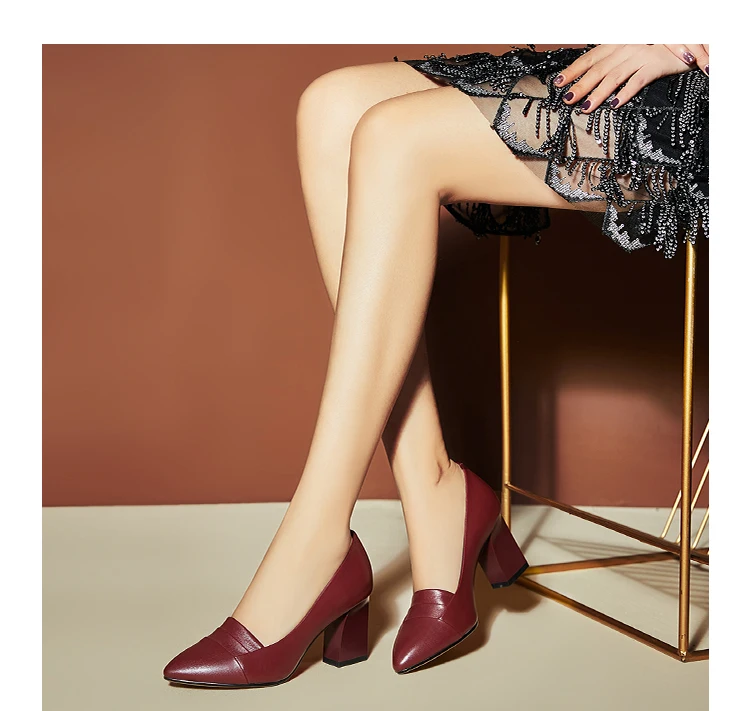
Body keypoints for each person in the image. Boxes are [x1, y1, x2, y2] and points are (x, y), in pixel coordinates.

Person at [162, 43, 709, 687]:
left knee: (398, 140)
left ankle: (316, 544)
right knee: (330, 108)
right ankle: (435, 490)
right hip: (618, 49)